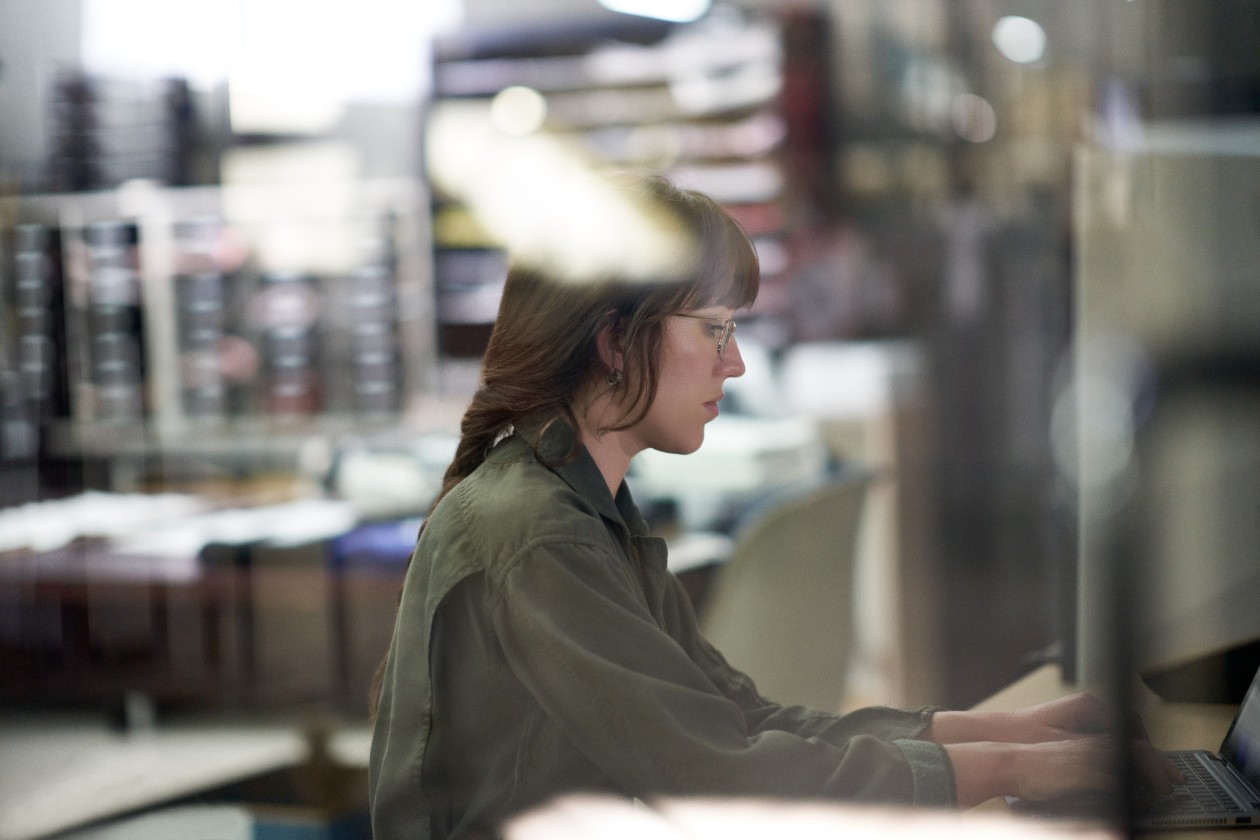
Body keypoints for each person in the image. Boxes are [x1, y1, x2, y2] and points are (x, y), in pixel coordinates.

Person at [368, 172, 1177, 840]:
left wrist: (1003, 734)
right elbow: (716, 776)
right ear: (616, 342)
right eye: (716, 331)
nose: (738, 364)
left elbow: (739, 723)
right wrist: (1008, 772)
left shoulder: (579, 500)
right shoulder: (540, 531)